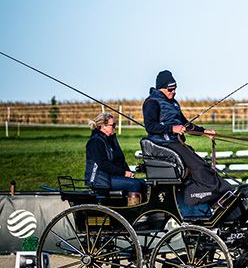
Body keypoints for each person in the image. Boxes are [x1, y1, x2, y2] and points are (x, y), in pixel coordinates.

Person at [142, 70, 234, 207]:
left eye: (175, 89)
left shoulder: (173, 103)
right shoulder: (152, 102)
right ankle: (202, 195)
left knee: (203, 165)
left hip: (176, 143)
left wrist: (204, 132)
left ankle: (223, 192)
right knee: (199, 167)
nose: (173, 92)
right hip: (164, 143)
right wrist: (172, 128)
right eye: (170, 89)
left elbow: (185, 124)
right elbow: (150, 126)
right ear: (161, 88)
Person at [85, 112, 145, 205]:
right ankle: (134, 210)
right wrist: (123, 173)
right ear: (103, 126)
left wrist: (129, 172)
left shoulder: (109, 140)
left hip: (111, 176)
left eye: (115, 125)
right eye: (112, 125)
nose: (114, 127)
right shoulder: (96, 141)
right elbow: (104, 164)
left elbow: (120, 160)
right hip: (100, 180)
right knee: (134, 184)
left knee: (143, 183)